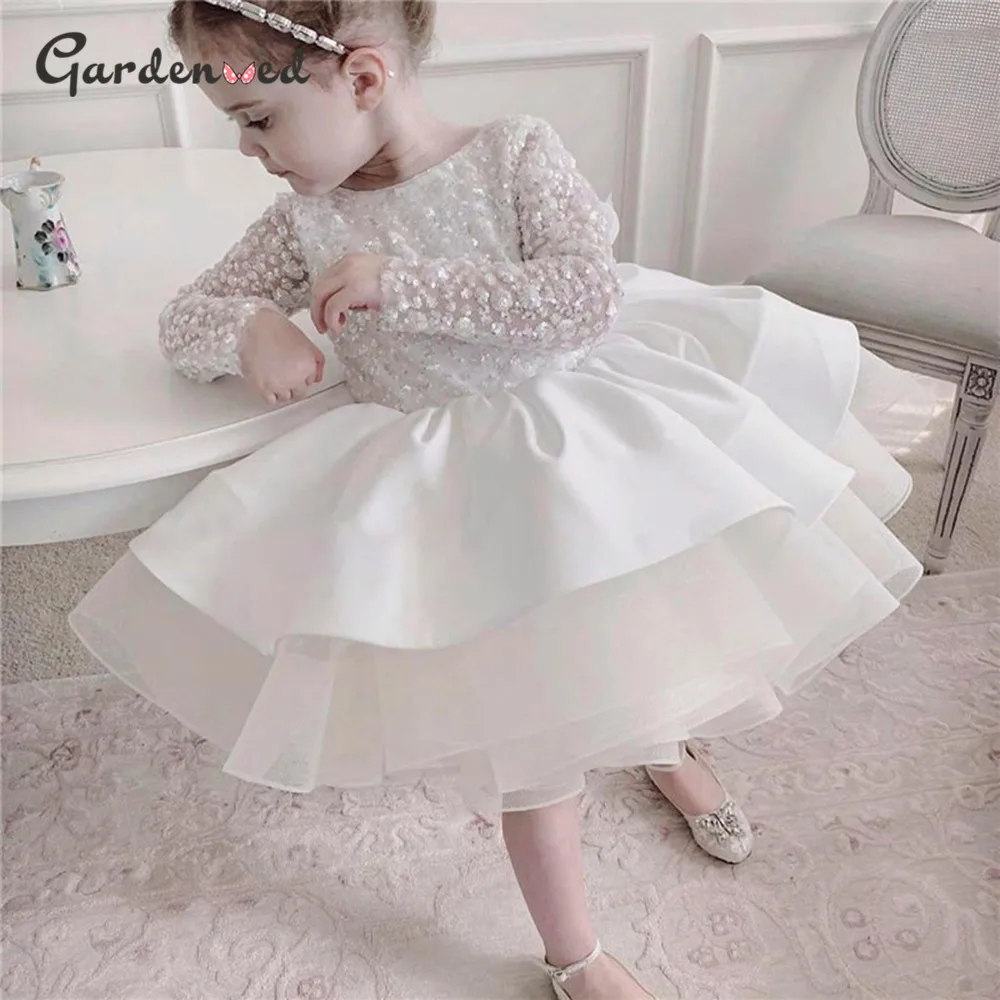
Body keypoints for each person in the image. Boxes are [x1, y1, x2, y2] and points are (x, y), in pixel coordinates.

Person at [67, 2, 936, 997]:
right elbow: (187, 313)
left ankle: (664, 749)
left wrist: (400, 285)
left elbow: (583, 297)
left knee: (643, 633)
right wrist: (250, 328)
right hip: (454, 495)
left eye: (259, 119)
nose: (247, 150)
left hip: (581, 447)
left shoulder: (513, 152)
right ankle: (576, 956)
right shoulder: (304, 216)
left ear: (362, 79)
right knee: (536, 736)